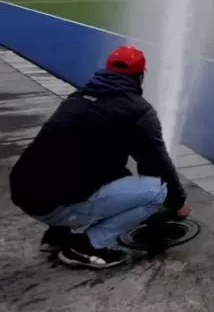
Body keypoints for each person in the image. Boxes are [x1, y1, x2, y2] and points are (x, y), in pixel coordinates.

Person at [9, 46, 188, 269]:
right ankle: (86, 246)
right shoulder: (139, 111)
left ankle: (58, 233)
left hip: (23, 190)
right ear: (140, 76)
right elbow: (157, 163)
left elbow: (82, 157)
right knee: (156, 192)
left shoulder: (78, 97)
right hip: (51, 204)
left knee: (78, 165)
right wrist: (177, 201)